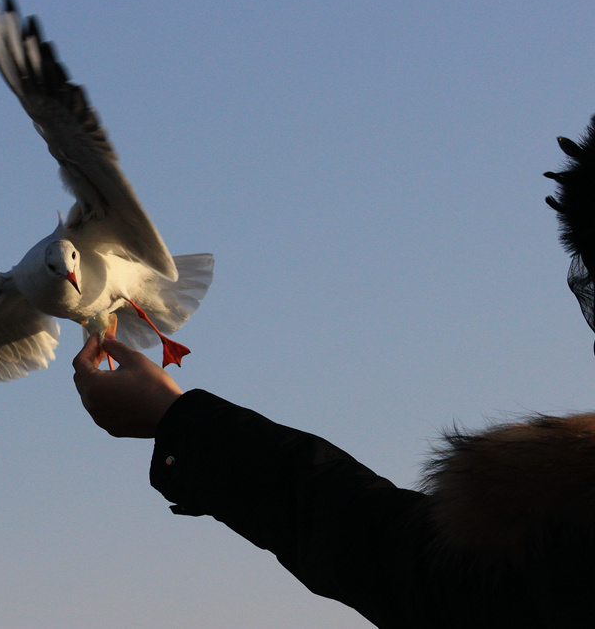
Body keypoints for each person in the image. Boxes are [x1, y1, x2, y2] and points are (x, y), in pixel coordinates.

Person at [72, 117, 595, 628]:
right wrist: (182, 422)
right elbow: (398, 556)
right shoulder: (558, 508)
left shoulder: (554, 515)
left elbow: (400, 563)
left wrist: (180, 422)